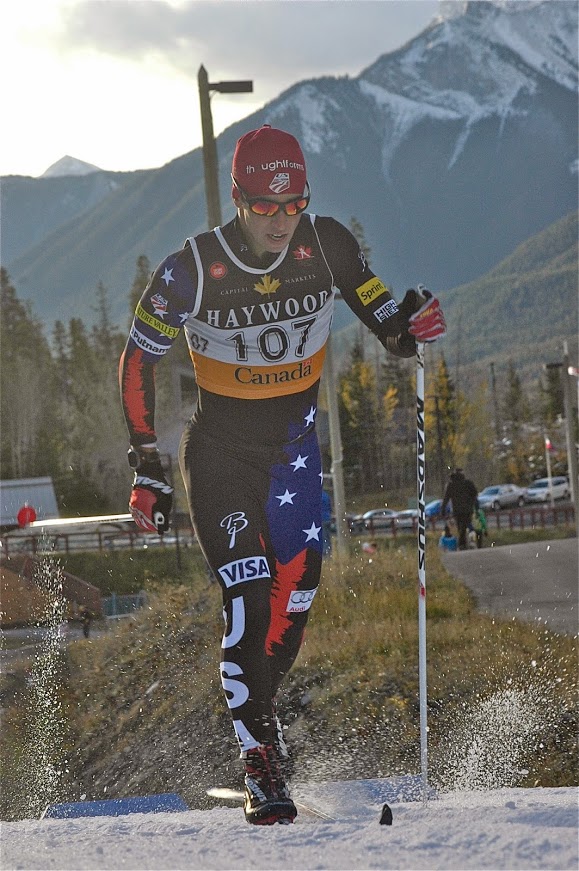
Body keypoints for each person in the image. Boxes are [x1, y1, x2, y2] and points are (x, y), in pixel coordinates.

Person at [119, 124, 446, 825]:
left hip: (294, 458)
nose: (278, 219)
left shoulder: (325, 244)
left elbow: (387, 323)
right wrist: (146, 463)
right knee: (249, 596)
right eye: (263, 206)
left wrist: (410, 324)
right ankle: (259, 760)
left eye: (291, 202)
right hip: (220, 458)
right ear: (237, 199)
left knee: (290, 611)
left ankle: (257, 715)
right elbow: (135, 361)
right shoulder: (193, 267)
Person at [441, 468, 479, 551]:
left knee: (460, 527)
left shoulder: (451, 485)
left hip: (457, 510)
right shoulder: (468, 483)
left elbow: (446, 498)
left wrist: (443, 509)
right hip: (468, 509)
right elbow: (475, 496)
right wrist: (477, 507)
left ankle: (462, 544)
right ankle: (465, 543)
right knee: (466, 525)